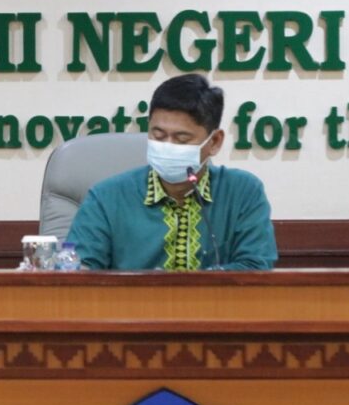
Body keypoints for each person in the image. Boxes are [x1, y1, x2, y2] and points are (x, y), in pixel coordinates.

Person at [66, 74, 277, 271]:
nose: (167, 146)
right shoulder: (106, 198)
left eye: (182, 139)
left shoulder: (243, 192)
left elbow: (256, 268)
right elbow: (79, 273)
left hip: (217, 301)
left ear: (214, 141)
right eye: (158, 136)